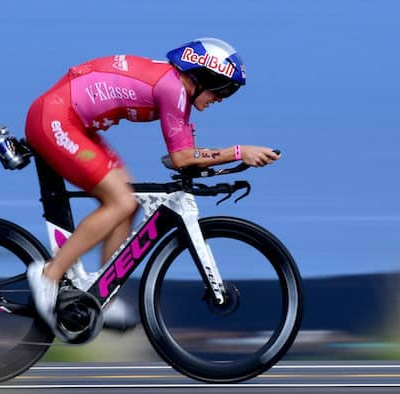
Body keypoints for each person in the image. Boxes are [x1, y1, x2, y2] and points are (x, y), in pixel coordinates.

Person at [24, 37, 280, 339]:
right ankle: (49, 276)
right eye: (221, 89)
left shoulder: (176, 90)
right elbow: (182, 157)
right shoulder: (173, 89)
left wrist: (215, 161)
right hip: (55, 119)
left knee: (126, 200)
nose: (222, 99)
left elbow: (182, 159)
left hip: (73, 123)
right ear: (202, 76)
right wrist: (239, 151)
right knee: (120, 201)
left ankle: (99, 296)